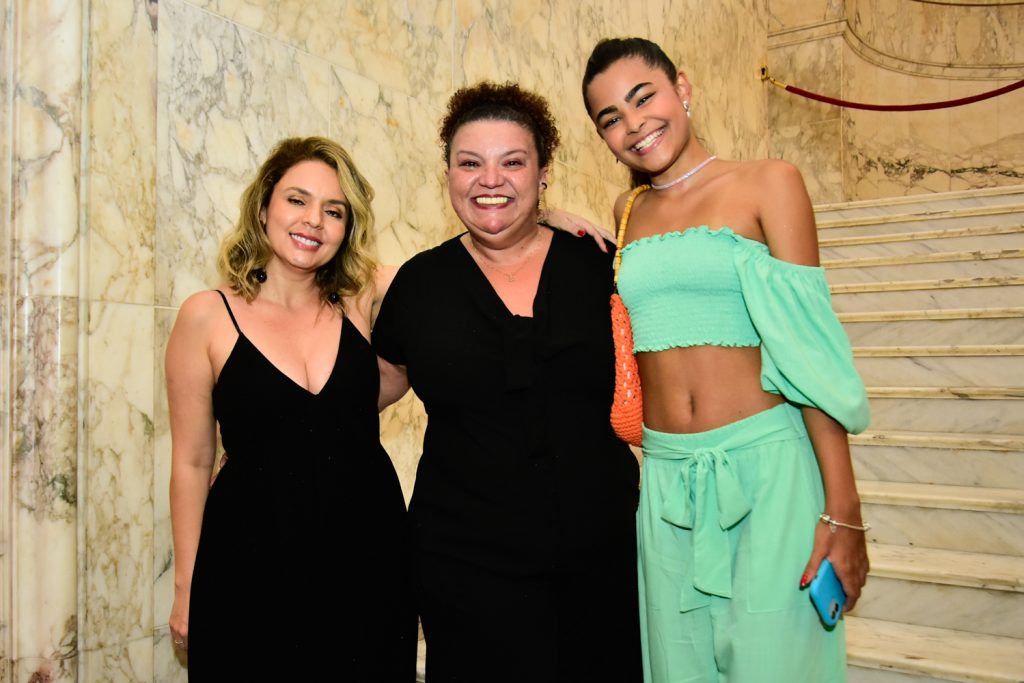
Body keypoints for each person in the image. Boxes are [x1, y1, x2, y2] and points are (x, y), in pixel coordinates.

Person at [581, 38, 871, 682]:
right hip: (666, 485)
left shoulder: (769, 183)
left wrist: (843, 511)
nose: (634, 125)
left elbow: (808, 354)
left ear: (682, 88)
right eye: (611, 118)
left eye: (644, 98)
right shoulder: (627, 212)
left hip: (767, 472)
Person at [372, 82, 643, 682]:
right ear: (448, 175)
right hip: (465, 565)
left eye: (512, 162)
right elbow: (370, 388)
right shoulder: (419, 285)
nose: (489, 180)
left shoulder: (599, 263)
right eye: (470, 163)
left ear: (543, 174)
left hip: (603, 554)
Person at [166, 137, 417, 681]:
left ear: (348, 227)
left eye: (335, 211)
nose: (314, 221)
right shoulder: (206, 316)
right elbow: (191, 462)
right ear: (263, 207)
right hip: (250, 561)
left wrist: (541, 217)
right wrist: (187, 586)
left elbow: (460, 266)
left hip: (368, 559)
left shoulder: (358, 299)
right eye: (297, 200)